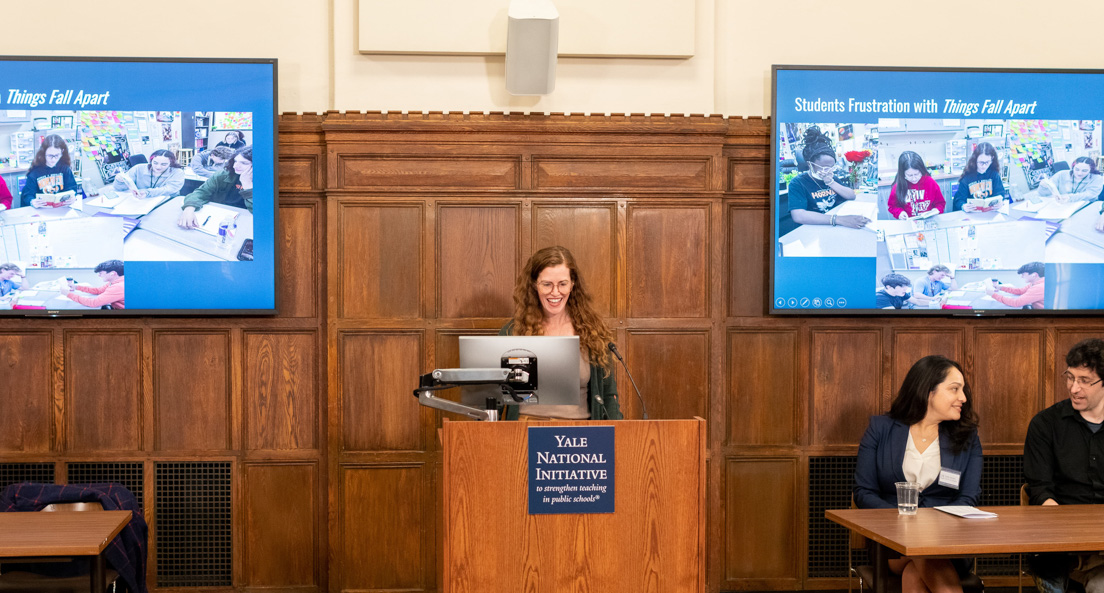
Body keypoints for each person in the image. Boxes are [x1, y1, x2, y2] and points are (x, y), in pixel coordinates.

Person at [855, 355, 981, 593]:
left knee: (917, 568)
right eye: (954, 389)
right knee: (919, 555)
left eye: (963, 390)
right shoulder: (881, 429)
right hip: (893, 540)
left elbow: (969, 498)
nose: (963, 398)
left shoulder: (968, 437)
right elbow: (864, 493)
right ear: (928, 392)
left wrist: (932, 527)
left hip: (948, 541)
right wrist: (904, 522)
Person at [499, 245, 621, 420]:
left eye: (562, 284)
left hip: (579, 437)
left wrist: (617, 436)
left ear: (572, 284)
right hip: (525, 433)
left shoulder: (593, 332)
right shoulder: (513, 332)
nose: (555, 292)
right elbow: (495, 395)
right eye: (547, 284)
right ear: (534, 285)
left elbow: (609, 396)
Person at [1024, 339, 1104, 593]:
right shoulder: (1045, 424)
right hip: (1061, 539)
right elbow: (1039, 489)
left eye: (1084, 380)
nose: (1074, 388)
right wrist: (1069, 533)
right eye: (1070, 377)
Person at [787, 126, 869, 229]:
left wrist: (831, 182)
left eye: (832, 167)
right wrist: (838, 219)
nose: (829, 171)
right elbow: (798, 215)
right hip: (813, 229)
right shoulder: (798, 183)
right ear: (810, 164)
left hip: (834, 227)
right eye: (825, 167)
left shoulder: (832, 177)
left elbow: (851, 195)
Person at [177, 147, 254, 228]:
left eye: (244, 163)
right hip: (219, 215)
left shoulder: (265, 183)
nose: (235, 166)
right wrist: (189, 208)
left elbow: (259, 212)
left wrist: (248, 186)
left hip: (247, 220)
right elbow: (201, 192)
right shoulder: (223, 175)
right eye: (235, 161)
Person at [20, 134, 78, 209]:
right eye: (50, 156)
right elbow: (27, 195)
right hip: (41, 210)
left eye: (57, 155)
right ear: (44, 153)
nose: (53, 159)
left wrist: (72, 197)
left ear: (62, 152)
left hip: (61, 209)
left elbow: (72, 188)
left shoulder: (65, 169)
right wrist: (32, 201)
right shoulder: (35, 171)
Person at [888, 151, 946, 220]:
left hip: (929, 220)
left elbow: (940, 203)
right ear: (902, 174)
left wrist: (936, 210)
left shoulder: (930, 182)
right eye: (909, 175)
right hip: (909, 222)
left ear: (921, 170)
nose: (914, 178)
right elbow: (893, 206)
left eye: (917, 174)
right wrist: (899, 213)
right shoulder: (898, 186)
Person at [952, 142, 1005, 212]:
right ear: (975, 160)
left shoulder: (994, 175)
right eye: (981, 162)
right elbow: (959, 200)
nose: (984, 166)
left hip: (990, 213)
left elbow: (1000, 194)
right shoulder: (967, 177)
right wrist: (963, 206)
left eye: (987, 162)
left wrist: (1000, 203)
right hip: (972, 214)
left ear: (992, 159)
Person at [112, 149, 185, 198]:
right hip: (142, 202)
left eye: (164, 164)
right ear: (151, 161)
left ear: (171, 163)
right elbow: (119, 189)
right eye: (155, 163)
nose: (158, 167)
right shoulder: (138, 168)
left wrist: (147, 192)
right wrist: (120, 181)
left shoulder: (177, 172)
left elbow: (169, 189)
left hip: (167, 201)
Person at [58, 259, 124, 309]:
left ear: (113, 273)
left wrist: (68, 294)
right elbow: (98, 290)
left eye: (100, 273)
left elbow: (94, 303)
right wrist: (76, 287)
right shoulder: (114, 282)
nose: (99, 275)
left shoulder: (118, 286)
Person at [1038, 157, 1104, 204]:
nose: (1079, 173)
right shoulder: (1061, 174)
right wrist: (1043, 187)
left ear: (1091, 170)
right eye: (1077, 169)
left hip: (1086, 206)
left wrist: (1069, 197)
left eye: (1084, 171)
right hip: (1063, 206)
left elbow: (1089, 194)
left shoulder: (1097, 178)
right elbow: (1043, 194)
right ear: (1073, 167)